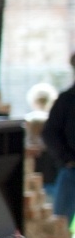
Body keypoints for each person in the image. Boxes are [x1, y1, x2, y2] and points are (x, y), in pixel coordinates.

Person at [42, 55, 75, 218]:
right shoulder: (67, 99)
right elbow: (50, 132)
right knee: (62, 220)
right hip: (72, 170)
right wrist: (66, 159)